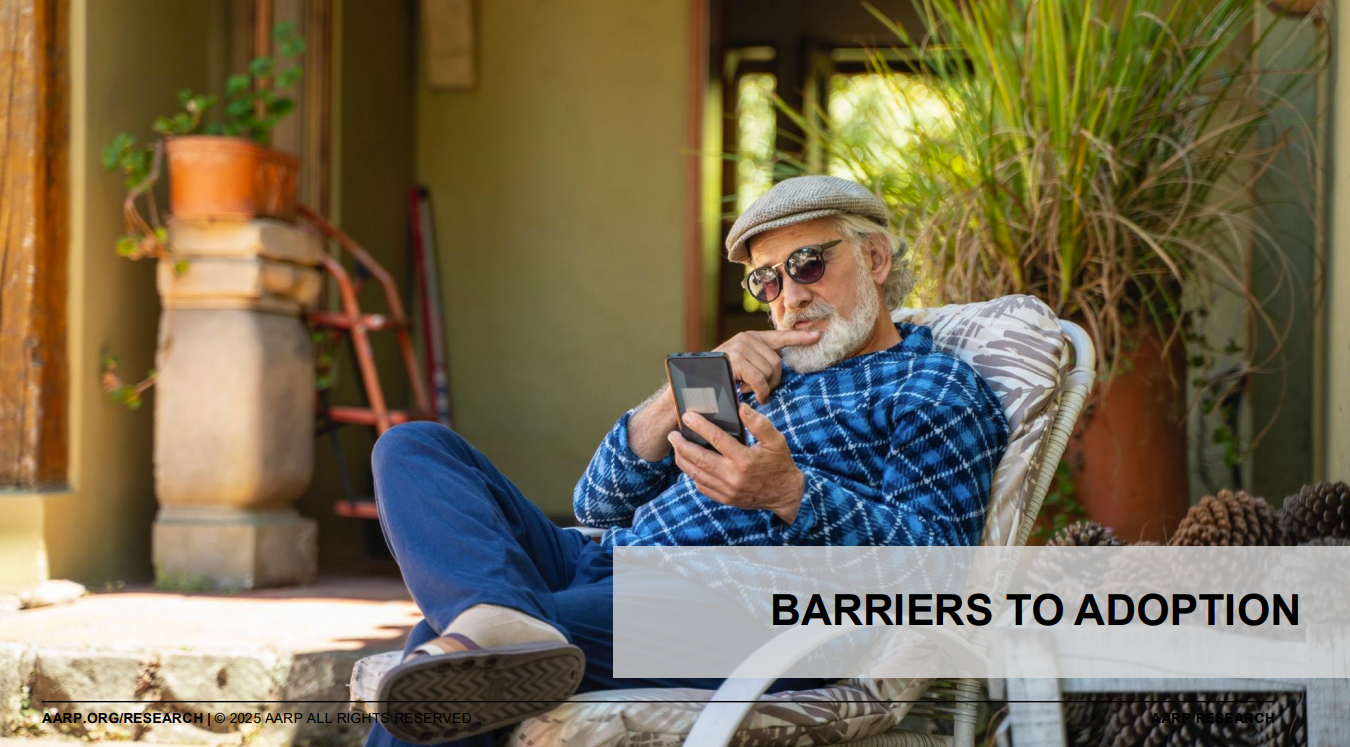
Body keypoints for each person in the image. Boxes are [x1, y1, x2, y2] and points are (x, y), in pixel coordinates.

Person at [364, 175, 1009, 746]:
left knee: (453, 661)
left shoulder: (931, 389)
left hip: (739, 611)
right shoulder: (765, 374)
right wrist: (679, 396)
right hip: (610, 563)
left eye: (808, 264)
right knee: (413, 446)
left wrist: (792, 494)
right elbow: (596, 504)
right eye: (767, 279)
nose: (789, 294)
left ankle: (499, 625)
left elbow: (936, 579)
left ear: (874, 257)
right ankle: (494, 616)